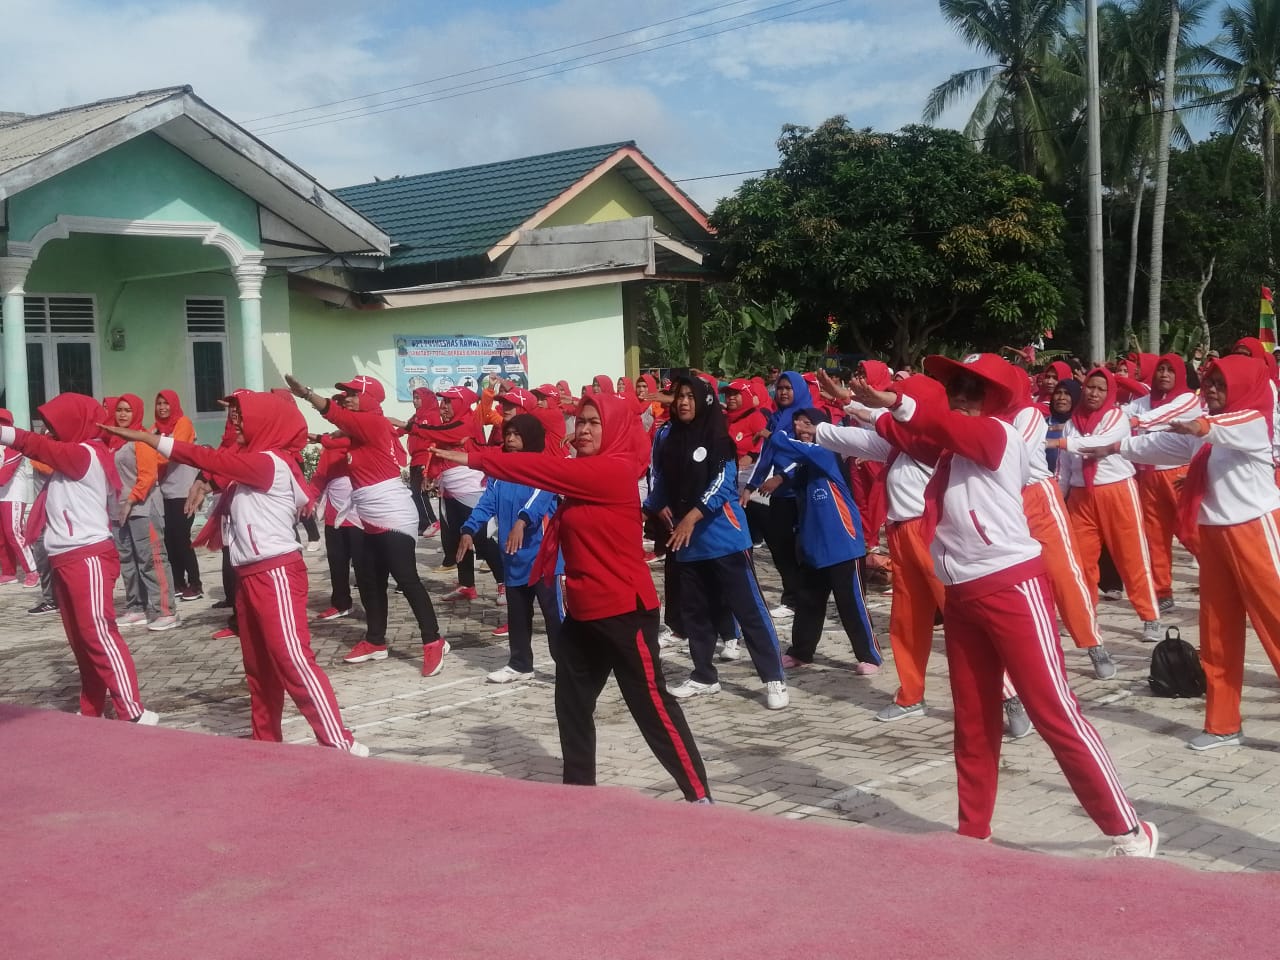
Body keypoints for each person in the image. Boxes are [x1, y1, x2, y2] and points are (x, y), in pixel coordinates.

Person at [849, 354, 1157, 857]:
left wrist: (897, 400)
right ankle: (974, 830)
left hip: (1013, 587)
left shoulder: (998, 434)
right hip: (965, 594)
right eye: (956, 387)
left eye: (972, 388)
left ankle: (1128, 829)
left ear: (994, 398)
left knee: (1054, 710)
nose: (961, 396)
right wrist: (862, 407)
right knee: (972, 718)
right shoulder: (950, 448)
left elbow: (931, 423)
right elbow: (906, 436)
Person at [432, 391, 712, 802]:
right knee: (572, 705)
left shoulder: (611, 472)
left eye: (593, 423)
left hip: (623, 611)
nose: (581, 429)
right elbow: (550, 474)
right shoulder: (581, 469)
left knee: (651, 707)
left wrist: (474, 458)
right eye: (579, 421)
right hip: (582, 611)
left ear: (613, 429)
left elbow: (541, 470)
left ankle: (700, 795)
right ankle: (579, 797)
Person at [104, 392, 367, 754]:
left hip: (275, 574)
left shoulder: (268, 463)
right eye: (235, 417)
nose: (235, 424)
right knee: (259, 668)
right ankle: (265, 741)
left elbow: (210, 457)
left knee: (292, 660)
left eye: (242, 418)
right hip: (250, 576)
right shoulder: (252, 464)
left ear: (265, 423)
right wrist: (205, 482)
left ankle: (338, 741)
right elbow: (219, 467)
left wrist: (152, 440)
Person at [1097, 356, 1280, 751]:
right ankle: (1223, 723)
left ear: (1242, 388)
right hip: (1214, 537)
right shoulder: (1208, 432)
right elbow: (1162, 445)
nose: (1210, 389)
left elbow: (1210, 427)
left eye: (1219, 383)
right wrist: (1112, 446)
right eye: (1208, 381)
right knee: (1216, 635)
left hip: (1255, 533)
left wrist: (1193, 423)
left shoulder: (1250, 421)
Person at [0, 394, 157, 724]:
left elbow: (34, 446)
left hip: (87, 558)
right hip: (65, 560)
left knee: (98, 634)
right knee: (82, 643)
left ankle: (133, 711)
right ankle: (92, 709)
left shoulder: (83, 454)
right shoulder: (70, 458)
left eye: (55, 425)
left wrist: (6, 432)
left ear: (74, 423)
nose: (49, 431)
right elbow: (41, 453)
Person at [285, 373, 446, 676]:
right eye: (344, 392)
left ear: (369, 397)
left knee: (406, 578)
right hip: (368, 513)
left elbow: (335, 416)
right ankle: (375, 641)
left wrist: (307, 394)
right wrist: (318, 439)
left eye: (352, 393)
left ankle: (434, 640)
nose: (346, 397)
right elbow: (338, 438)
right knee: (370, 580)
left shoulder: (371, 422)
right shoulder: (361, 429)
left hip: (392, 513)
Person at [645, 375, 789, 710]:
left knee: (749, 610)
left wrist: (690, 518)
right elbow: (663, 481)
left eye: (690, 397)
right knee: (696, 613)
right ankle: (704, 676)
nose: (683, 402)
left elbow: (723, 485)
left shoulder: (718, 439)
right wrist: (654, 506)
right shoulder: (669, 438)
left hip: (725, 540)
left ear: (704, 401)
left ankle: (773, 677)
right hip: (688, 545)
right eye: (679, 396)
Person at [813, 369, 945, 722]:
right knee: (907, 620)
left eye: (899, 396)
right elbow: (861, 439)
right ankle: (910, 694)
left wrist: (847, 401)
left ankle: (1008, 693)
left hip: (931, 535)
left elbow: (881, 420)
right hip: (901, 535)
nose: (891, 399)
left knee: (965, 618)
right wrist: (817, 429)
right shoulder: (899, 442)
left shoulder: (933, 440)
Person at [1050, 367, 1162, 642]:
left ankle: (1149, 617)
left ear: (1109, 392)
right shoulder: (1073, 422)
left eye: (1101, 389)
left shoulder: (1117, 417)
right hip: (1080, 497)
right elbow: (1064, 468)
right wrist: (1058, 499)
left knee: (1132, 557)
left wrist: (1059, 441)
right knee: (1082, 561)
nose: (1094, 393)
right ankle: (1085, 616)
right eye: (1090, 387)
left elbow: (1097, 443)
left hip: (1118, 493)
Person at [775, 408, 882, 673]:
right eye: (797, 423)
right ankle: (801, 652)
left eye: (807, 424)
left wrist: (772, 433)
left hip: (843, 544)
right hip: (813, 546)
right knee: (808, 602)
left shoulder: (827, 454)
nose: (800, 428)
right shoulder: (802, 465)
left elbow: (781, 443)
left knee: (851, 604)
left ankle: (869, 655)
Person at [459, 414, 564, 682]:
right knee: (517, 615)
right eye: (508, 434)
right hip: (513, 557)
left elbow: (541, 497)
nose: (510, 438)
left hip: (543, 556)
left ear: (530, 437)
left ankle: (568, 667)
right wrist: (469, 529)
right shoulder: (500, 471)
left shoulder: (543, 466)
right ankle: (520, 664)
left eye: (517, 434)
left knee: (554, 615)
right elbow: (487, 502)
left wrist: (522, 521)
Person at [1123, 354, 1201, 613]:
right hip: (1148, 477)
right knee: (1154, 537)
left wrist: (1133, 421)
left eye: (1170, 370)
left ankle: (1221, 576)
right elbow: (1121, 417)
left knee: (1191, 531)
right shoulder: (1141, 402)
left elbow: (1161, 417)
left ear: (1180, 374)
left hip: (1178, 473)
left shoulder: (1187, 399)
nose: (1164, 375)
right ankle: (1162, 591)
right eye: (1161, 370)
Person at [743, 371, 811, 620]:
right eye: (780, 388)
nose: (783, 392)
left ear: (799, 390)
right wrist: (750, 486)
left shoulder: (807, 417)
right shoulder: (777, 418)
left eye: (788, 388)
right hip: (781, 495)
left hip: (803, 493)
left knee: (801, 549)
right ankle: (792, 598)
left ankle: (804, 598)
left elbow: (806, 455)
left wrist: (781, 477)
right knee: (780, 547)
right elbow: (766, 456)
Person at [108, 395, 179, 631]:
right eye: (119, 410)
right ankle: (136, 607)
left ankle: (165, 611)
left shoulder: (142, 439)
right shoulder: (113, 441)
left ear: (136, 412)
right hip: (119, 509)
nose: (123, 415)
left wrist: (131, 501)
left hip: (142, 508)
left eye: (128, 410)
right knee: (127, 561)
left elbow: (148, 476)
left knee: (152, 559)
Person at [309, 429, 366, 622]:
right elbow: (320, 475)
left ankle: (374, 608)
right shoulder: (330, 443)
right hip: (335, 513)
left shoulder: (363, 436)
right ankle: (341, 604)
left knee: (364, 564)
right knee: (337, 562)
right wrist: (309, 498)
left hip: (361, 512)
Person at [152, 391, 203, 601]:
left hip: (185, 491)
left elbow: (174, 450)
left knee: (182, 538)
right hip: (166, 492)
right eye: (159, 404)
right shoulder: (155, 429)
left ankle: (195, 584)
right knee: (170, 540)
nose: (163, 407)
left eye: (166, 403)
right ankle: (179, 583)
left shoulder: (183, 422)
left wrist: (152, 454)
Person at [0, 409, 37, 587]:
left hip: (13, 494)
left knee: (13, 532)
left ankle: (33, 571)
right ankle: (8, 572)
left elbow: (5, 474)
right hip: (1, 495)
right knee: (1, 535)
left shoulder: (14, 443)